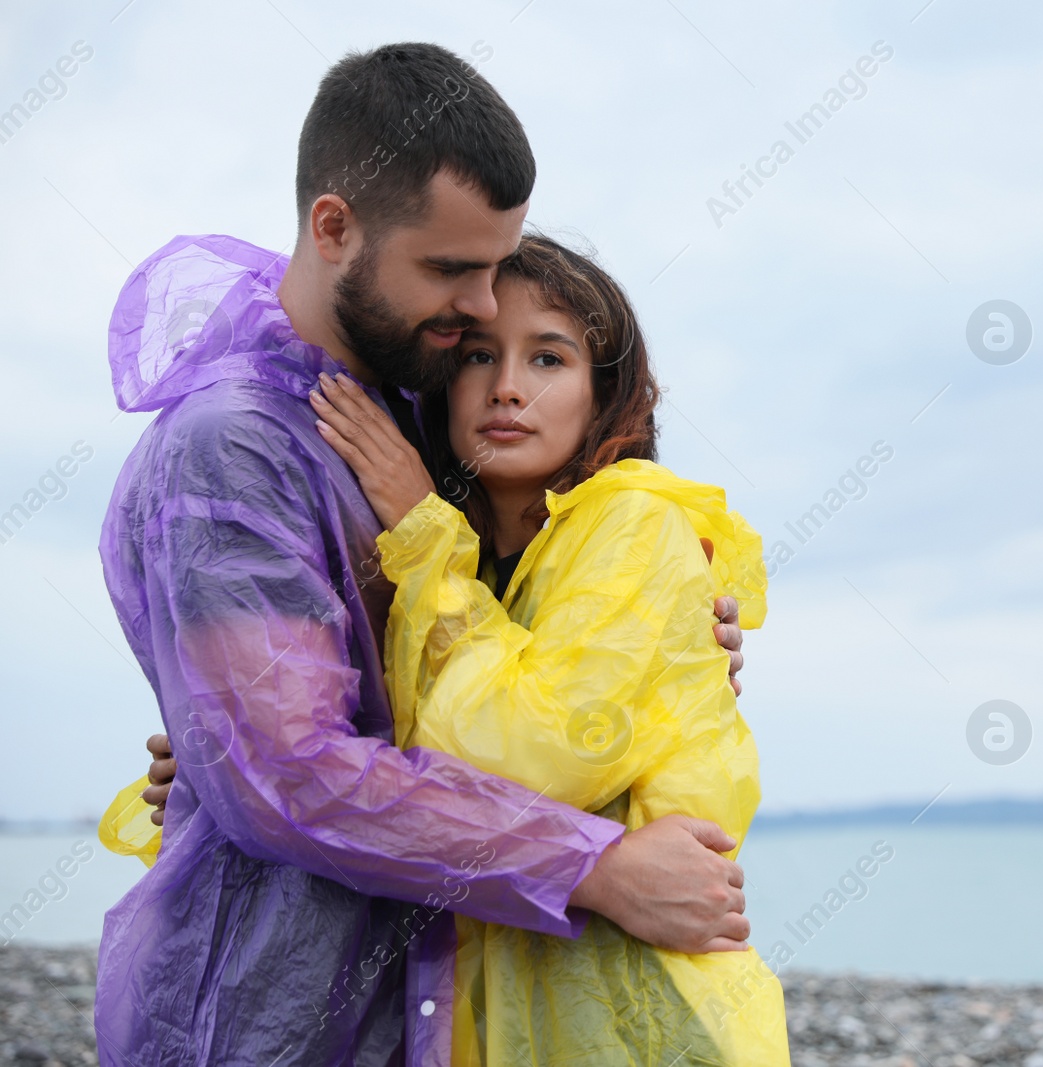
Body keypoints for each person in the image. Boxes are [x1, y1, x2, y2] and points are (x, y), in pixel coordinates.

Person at [96, 43, 751, 1067]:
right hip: (270, 1018)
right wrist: (600, 864)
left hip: (432, 1011)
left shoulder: (424, 418)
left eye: (497, 266)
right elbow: (291, 775)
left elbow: (479, 674)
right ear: (333, 227)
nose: (486, 307)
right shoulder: (232, 446)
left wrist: (661, 651)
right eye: (452, 270)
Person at [309, 233, 787, 1064]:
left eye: (549, 359)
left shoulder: (635, 521)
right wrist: (239, 758)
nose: (505, 389)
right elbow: (404, 768)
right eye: (479, 356)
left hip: (639, 1020)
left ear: (605, 392)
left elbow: (531, 752)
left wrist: (423, 529)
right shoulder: (471, 569)